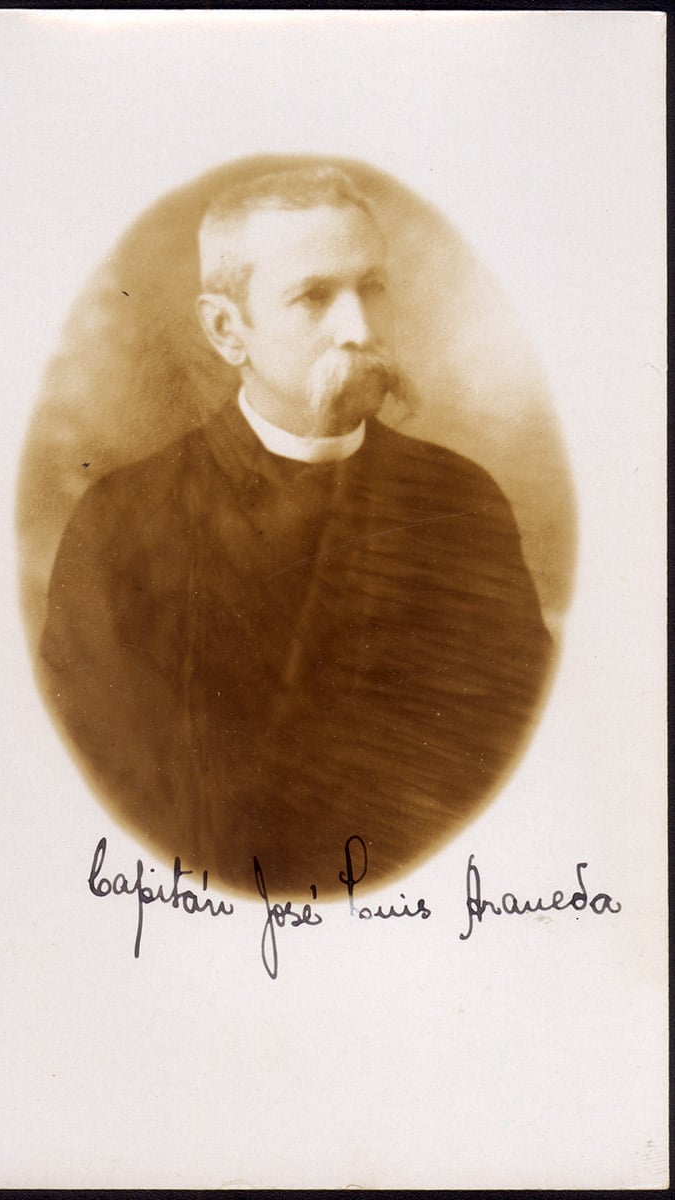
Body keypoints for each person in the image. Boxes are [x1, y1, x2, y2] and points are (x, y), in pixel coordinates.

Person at [38, 166, 552, 898]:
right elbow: (94, 787)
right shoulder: (120, 524)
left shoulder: (463, 503)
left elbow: (517, 749)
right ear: (227, 330)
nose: (360, 330)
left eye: (371, 286)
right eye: (314, 296)